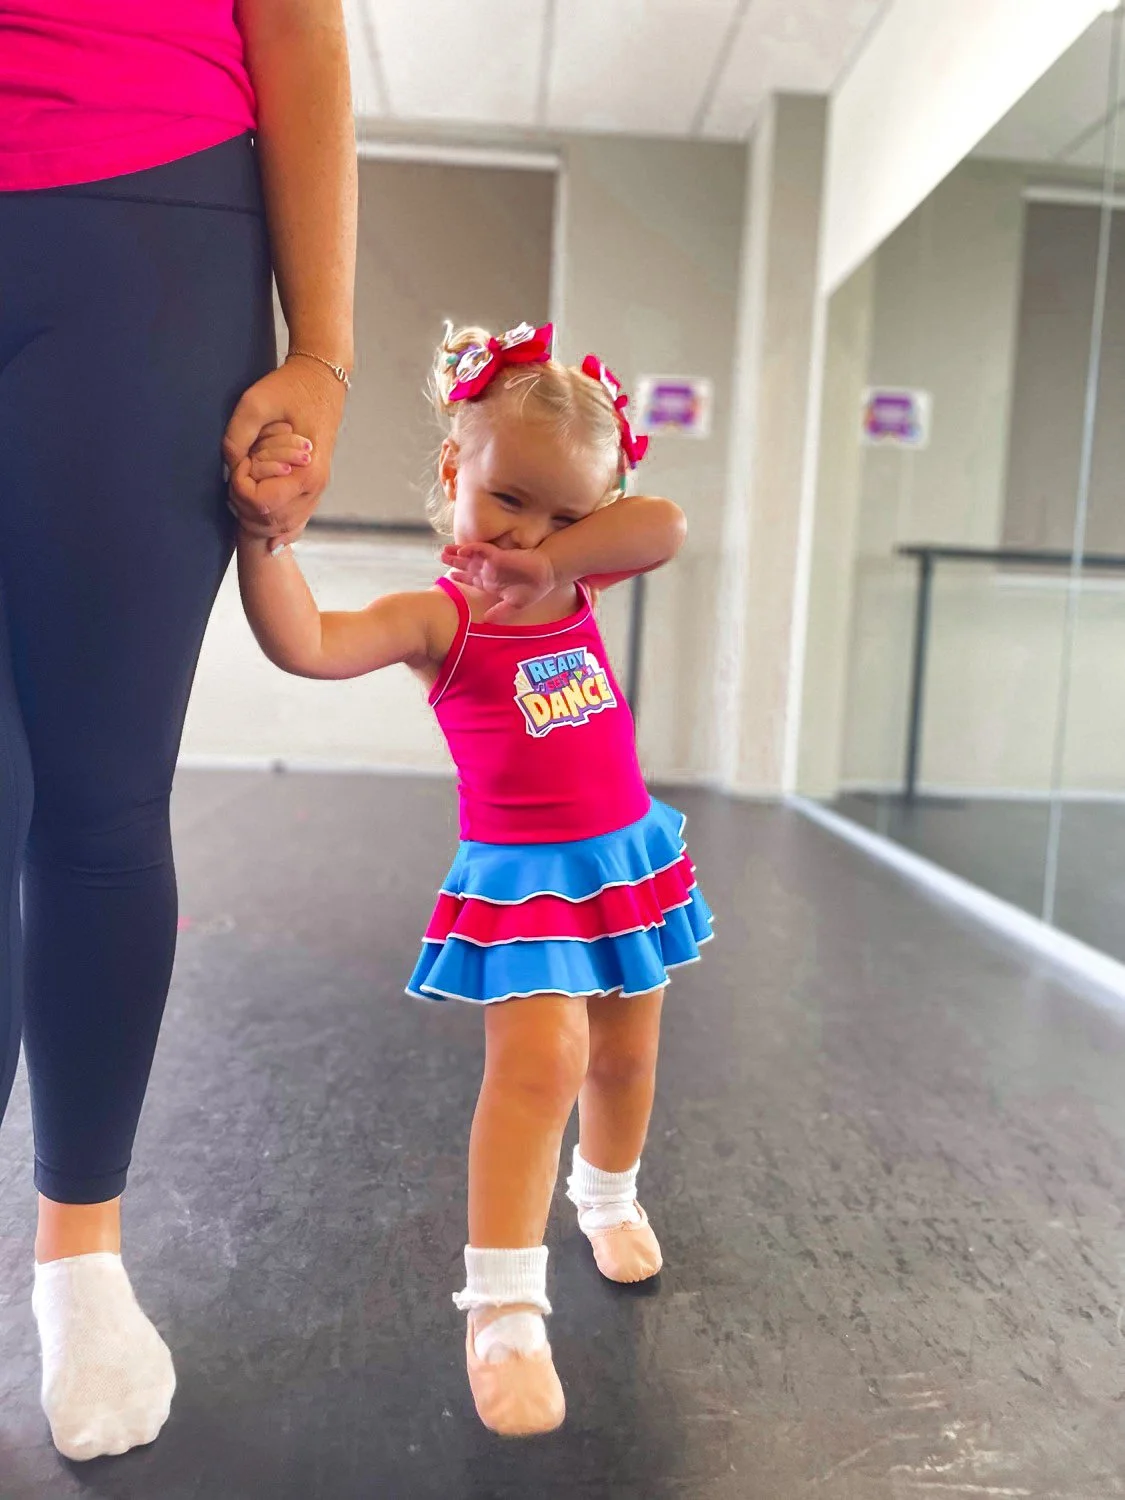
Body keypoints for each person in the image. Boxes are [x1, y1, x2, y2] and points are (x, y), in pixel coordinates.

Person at [235, 320, 714, 1437]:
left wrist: (557, 553)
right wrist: (267, 542)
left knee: (630, 1052)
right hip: (526, 878)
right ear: (454, 472)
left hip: (624, 854)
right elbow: (307, 642)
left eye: (564, 513)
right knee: (544, 1064)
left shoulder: (579, 579)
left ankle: (606, 1199)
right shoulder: (440, 615)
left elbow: (668, 524)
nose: (529, 531)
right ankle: (501, 1309)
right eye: (507, 501)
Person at [0, 1, 356, 1461]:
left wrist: (321, 349)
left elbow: (297, 23)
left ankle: (80, 1263)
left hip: (152, 221)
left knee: (96, 788)